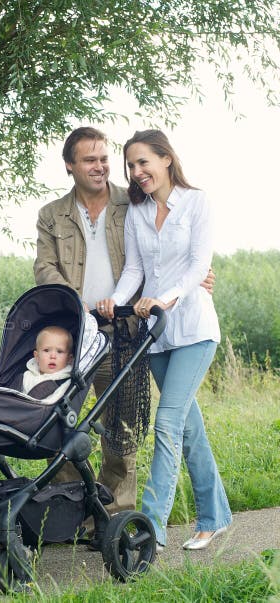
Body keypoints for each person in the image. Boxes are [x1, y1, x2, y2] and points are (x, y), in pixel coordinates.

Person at [96, 129, 231, 551]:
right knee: (190, 431)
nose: (137, 173)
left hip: (192, 330)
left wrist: (165, 299)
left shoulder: (197, 203)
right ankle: (214, 517)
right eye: (131, 166)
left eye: (143, 163)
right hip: (155, 339)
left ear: (166, 159)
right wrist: (114, 301)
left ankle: (149, 529)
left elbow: (197, 267)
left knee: (168, 424)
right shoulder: (137, 213)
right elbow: (134, 270)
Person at [34, 127, 141, 519]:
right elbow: (44, 266)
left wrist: (201, 272)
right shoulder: (51, 215)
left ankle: (117, 514)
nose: (100, 167)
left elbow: (163, 246)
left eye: (103, 158)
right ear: (70, 166)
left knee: (120, 424)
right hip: (75, 335)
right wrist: (75, 303)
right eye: (89, 160)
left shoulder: (131, 203)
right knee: (62, 418)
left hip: (124, 332)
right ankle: (72, 511)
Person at [19, 325, 74, 404]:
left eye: (59, 351)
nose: (53, 356)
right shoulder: (27, 376)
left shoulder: (65, 382)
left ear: (69, 359)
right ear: (37, 356)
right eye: (46, 350)